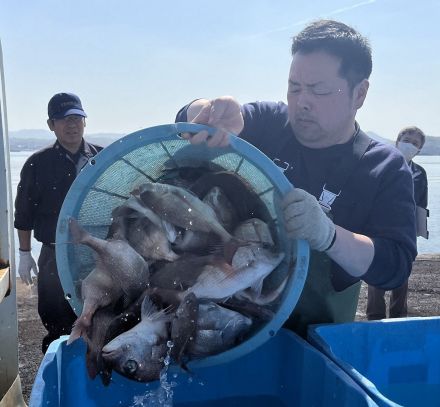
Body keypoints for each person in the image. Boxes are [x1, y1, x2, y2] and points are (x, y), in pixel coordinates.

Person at [175, 20, 417, 337]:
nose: (302, 101)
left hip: (314, 340)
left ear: (359, 93)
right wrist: (205, 111)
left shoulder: (383, 167)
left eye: (318, 90)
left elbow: (395, 266)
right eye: (294, 87)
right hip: (225, 326)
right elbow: (184, 121)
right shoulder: (268, 122)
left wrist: (329, 236)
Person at [14, 92, 103, 353]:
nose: (72, 124)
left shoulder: (102, 158)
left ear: (85, 122)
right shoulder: (36, 163)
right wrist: (24, 254)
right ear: (51, 125)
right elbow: (24, 213)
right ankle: (58, 375)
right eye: (63, 119)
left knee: (101, 315)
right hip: (54, 253)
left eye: (77, 118)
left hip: (95, 254)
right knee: (56, 320)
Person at [367, 126, 428, 320]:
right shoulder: (381, 163)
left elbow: (421, 204)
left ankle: (399, 315)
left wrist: (421, 230)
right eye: (406, 139)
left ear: (419, 150)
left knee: (402, 275)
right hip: (379, 228)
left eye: (415, 143)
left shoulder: (420, 173)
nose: (409, 144)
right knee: (376, 272)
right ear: (397, 140)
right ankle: (374, 316)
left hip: (407, 231)